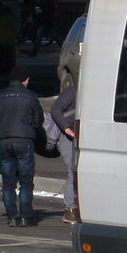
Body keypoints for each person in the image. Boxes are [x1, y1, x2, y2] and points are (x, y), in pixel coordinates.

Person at [0, 65, 43, 226]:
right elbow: (39, 120)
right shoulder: (30, 96)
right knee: (25, 180)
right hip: (24, 139)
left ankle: (12, 216)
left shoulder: (0, 95)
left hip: (4, 141)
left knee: (8, 181)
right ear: (25, 80)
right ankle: (26, 216)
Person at [51, 80, 77, 223]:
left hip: (83, 137)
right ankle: (69, 209)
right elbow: (55, 109)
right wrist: (67, 129)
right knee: (72, 171)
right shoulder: (72, 91)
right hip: (68, 137)